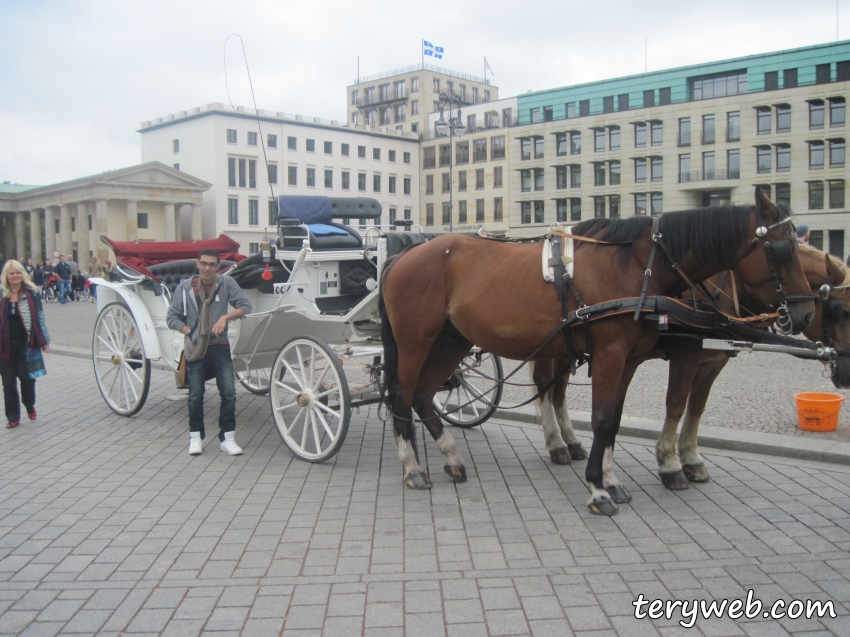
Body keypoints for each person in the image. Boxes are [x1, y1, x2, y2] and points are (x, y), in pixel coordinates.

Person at [166, 249, 252, 456]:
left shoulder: (226, 284)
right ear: (197, 264)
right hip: (196, 348)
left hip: (220, 345)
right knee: (195, 395)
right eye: (204, 263)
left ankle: (227, 438)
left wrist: (224, 318)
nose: (207, 268)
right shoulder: (185, 288)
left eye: (212, 264)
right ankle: (195, 437)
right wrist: (189, 332)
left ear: (217, 267)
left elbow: (245, 306)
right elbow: (172, 318)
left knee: (229, 392)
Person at [0, 260, 50, 429]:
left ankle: (29, 404)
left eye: (17, 272)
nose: (15, 276)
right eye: (11, 273)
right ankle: (13, 417)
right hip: (5, 346)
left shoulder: (32, 293)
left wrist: (44, 340)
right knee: (8, 384)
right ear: (6, 276)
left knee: (28, 380)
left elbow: (40, 317)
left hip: (26, 344)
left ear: (23, 274)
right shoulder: (1, 294)